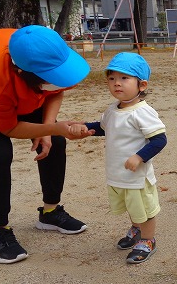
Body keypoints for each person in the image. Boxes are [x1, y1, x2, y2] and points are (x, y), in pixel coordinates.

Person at [0, 25, 92, 264]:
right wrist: (51, 128)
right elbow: (8, 128)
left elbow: (56, 90)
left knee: (55, 141)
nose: (58, 80)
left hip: (21, 80)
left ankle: (50, 212)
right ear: (22, 73)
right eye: (51, 76)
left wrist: (49, 129)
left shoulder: (44, 51)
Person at [69, 53, 166, 264]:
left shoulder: (143, 112)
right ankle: (137, 229)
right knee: (131, 206)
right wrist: (85, 128)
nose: (117, 83)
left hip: (137, 176)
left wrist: (139, 157)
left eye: (124, 78)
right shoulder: (113, 109)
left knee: (144, 209)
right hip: (117, 173)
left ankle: (148, 240)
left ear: (142, 85)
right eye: (111, 78)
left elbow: (159, 140)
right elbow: (103, 127)